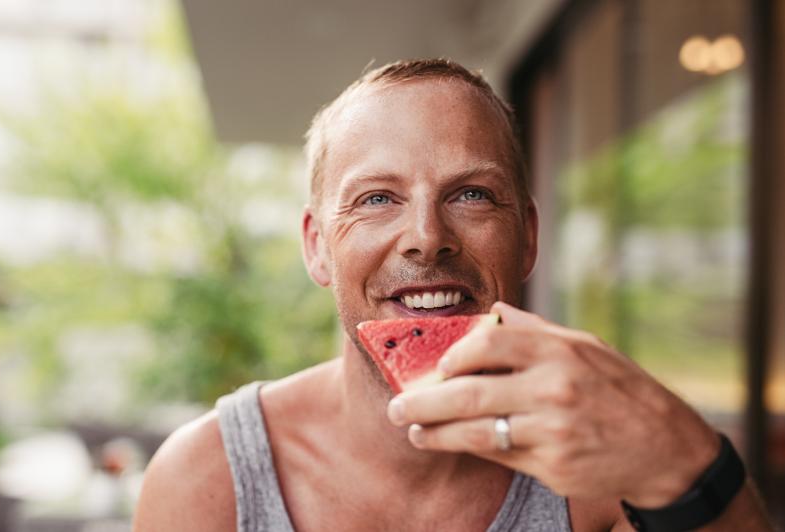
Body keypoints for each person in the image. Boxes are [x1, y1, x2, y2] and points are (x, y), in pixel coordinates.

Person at [132, 59, 772, 531]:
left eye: (471, 194)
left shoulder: (597, 480)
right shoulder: (208, 478)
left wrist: (684, 458)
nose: (426, 238)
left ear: (527, 238)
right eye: (377, 199)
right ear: (317, 245)